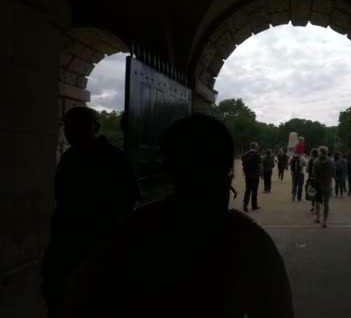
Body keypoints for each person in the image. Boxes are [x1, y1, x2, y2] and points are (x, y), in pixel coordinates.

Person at [59, 114, 294, 318]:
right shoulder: (248, 239)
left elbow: (78, 300)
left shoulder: (134, 230)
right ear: (227, 170)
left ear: (168, 168)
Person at [41, 106, 140, 317]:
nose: (69, 131)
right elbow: (130, 200)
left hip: (73, 246)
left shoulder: (71, 158)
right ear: (96, 127)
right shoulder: (114, 158)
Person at [313, 146, 335, 228]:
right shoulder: (331, 162)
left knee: (317, 202)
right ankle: (325, 221)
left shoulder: (316, 161)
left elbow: (313, 174)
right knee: (326, 204)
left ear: (321, 152)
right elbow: (333, 174)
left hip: (318, 185)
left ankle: (318, 217)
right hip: (328, 185)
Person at [242, 142, 262, 212]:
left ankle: (245, 203)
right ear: (255, 147)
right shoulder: (257, 154)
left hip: (247, 175)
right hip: (255, 175)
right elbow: (260, 165)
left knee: (247, 190)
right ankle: (254, 205)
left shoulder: (245, 154)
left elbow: (243, 165)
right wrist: (261, 174)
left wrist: (245, 172)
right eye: (257, 146)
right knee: (254, 191)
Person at [306, 148, 319, 213]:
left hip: (312, 178)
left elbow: (307, 170)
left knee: (312, 193)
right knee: (319, 192)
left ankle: (313, 206)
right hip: (319, 179)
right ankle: (319, 206)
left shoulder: (310, 160)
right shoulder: (320, 160)